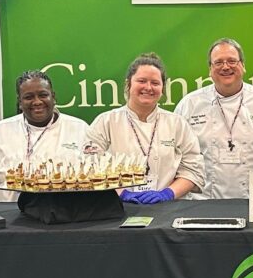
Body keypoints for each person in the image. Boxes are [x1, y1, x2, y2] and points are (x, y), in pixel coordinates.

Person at [174, 38, 253, 199]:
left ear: (243, 65)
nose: (226, 67)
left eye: (232, 61)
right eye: (218, 62)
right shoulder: (189, 105)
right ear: (210, 69)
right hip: (202, 203)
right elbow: (176, 156)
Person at [86, 53, 204, 204]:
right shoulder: (106, 122)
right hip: (118, 207)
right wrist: (122, 193)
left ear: (163, 89)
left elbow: (193, 169)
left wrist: (168, 194)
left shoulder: (177, 124)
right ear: (128, 84)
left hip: (169, 207)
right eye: (141, 81)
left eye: (155, 83)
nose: (148, 87)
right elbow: (90, 165)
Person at [0, 70, 89, 202]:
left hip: (67, 213)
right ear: (20, 102)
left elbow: (95, 173)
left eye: (43, 95)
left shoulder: (79, 128)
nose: (37, 102)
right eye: (29, 97)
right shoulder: (0, 131)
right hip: (11, 214)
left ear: (53, 97)